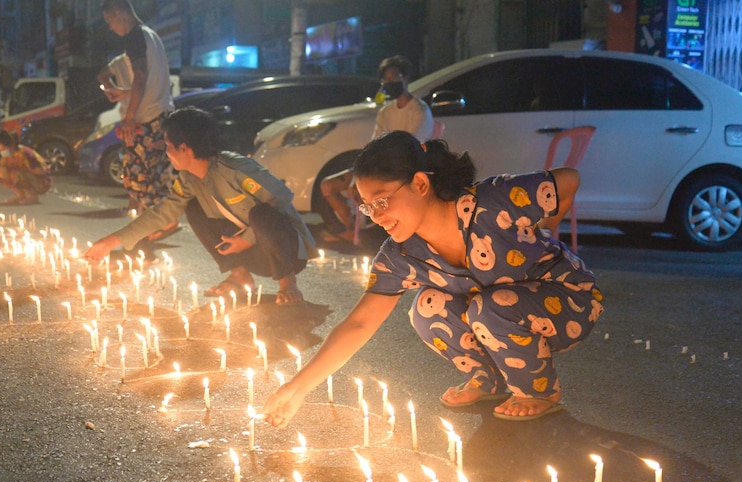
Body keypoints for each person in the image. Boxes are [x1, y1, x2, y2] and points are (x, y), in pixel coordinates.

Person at [263, 130, 604, 428]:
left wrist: (539, 230)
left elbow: (569, 178)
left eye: (382, 200)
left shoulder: (494, 202)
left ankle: (538, 392)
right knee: (427, 307)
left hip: (567, 303)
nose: (377, 216)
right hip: (498, 317)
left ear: (421, 184)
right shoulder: (401, 255)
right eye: (367, 206)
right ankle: (488, 376)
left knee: (490, 308)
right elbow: (359, 324)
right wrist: (297, 388)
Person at [85, 107, 316, 305]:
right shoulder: (188, 179)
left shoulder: (236, 169)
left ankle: (288, 284)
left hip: (288, 252)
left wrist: (248, 239)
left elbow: (282, 197)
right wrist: (110, 242)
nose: (167, 153)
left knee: (263, 212)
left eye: (168, 146)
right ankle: (240, 275)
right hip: (249, 253)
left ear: (184, 148)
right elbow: (162, 212)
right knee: (193, 207)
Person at [321, 55, 434, 242]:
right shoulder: (386, 112)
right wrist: (357, 174)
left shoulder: (419, 110)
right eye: (386, 79)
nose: (390, 82)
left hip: (399, 170)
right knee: (328, 185)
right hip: (377, 167)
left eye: (394, 77)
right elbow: (373, 145)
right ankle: (351, 229)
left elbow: (414, 147)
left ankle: (373, 232)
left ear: (406, 78)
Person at [98, 0, 174, 221]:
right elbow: (147, 81)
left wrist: (129, 117)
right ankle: (155, 222)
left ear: (121, 13)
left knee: (138, 175)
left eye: (110, 20)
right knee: (153, 174)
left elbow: (140, 76)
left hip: (146, 119)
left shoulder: (134, 37)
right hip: (160, 114)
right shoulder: (151, 35)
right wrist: (124, 93)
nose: (111, 27)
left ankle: (159, 222)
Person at [0, 131, 52, 205]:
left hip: (42, 182)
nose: (1, 152)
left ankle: (33, 197)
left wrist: (19, 169)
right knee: (2, 172)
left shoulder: (24, 153)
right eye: (0, 149)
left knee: (15, 174)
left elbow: (41, 171)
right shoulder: (6, 157)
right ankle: (21, 195)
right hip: (25, 176)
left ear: (11, 146)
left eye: (3, 149)